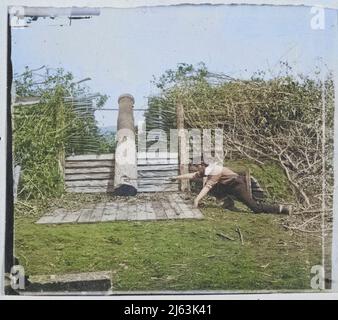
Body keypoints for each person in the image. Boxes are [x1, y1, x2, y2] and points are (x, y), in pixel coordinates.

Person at [173, 162, 291, 215]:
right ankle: (229, 203)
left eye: (198, 167)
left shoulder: (215, 171)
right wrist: (176, 177)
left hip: (237, 186)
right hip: (227, 186)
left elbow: (207, 187)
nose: (197, 169)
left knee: (255, 208)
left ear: (203, 166)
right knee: (215, 188)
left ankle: (282, 209)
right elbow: (193, 176)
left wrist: (196, 200)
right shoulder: (207, 169)